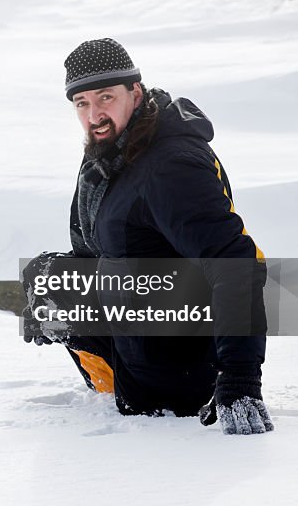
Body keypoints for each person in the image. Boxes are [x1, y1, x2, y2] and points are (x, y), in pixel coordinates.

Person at [23, 38, 274, 435]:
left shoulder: (170, 167)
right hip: (139, 324)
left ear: (135, 93)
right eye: (82, 104)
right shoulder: (115, 154)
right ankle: (109, 389)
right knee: (48, 276)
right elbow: (102, 250)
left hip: (175, 367)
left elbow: (235, 263)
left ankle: (136, 396)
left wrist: (241, 379)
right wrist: (56, 302)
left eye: (105, 97)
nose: (94, 115)